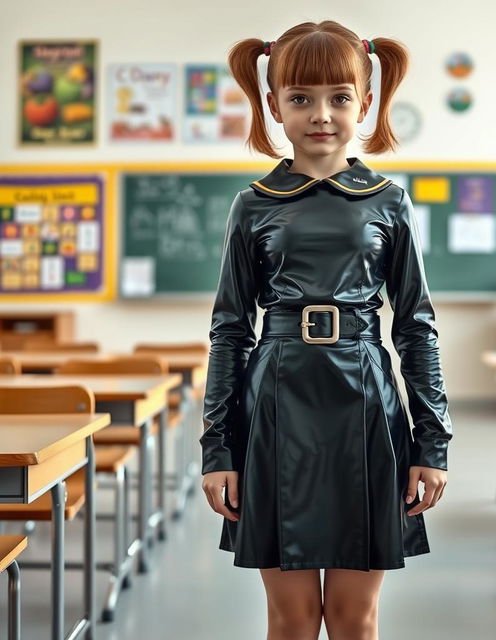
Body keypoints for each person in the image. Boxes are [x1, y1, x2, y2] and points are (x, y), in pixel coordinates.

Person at [200, 20, 453, 640]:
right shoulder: (253, 204)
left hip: (366, 408)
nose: (321, 114)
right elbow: (230, 330)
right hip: (275, 407)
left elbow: (416, 327)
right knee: (290, 620)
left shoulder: (389, 201)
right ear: (274, 106)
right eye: (301, 98)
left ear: (366, 103)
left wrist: (432, 445)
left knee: (353, 617)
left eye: (340, 97)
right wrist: (217, 450)